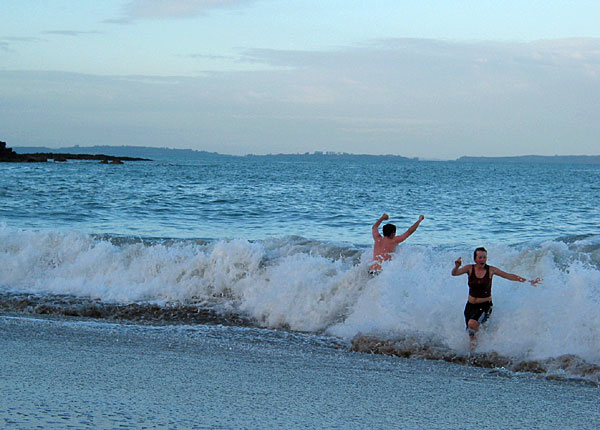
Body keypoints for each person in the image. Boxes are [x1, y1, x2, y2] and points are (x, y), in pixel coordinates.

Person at [451, 247, 541, 348]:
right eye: (480, 257)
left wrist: (528, 281)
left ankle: (484, 339)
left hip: (485, 306)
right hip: (470, 306)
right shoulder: (469, 268)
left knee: (472, 324)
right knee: (471, 333)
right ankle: (473, 353)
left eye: (484, 257)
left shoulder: (491, 270)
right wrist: (456, 266)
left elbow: (508, 276)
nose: (482, 260)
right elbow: (454, 273)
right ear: (475, 259)